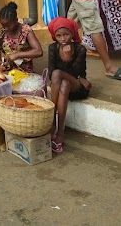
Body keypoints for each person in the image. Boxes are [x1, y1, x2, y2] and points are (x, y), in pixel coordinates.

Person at [47, 17, 91, 154]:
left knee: (58, 75)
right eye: (59, 36)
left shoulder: (80, 49)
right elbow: (50, 72)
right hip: (63, 85)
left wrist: (67, 58)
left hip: (77, 85)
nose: (63, 39)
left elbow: (77, 72)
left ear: (72, 33)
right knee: (62, 83)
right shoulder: (53, 48)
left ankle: (50, 116)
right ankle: (60, 132)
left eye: (66, 34)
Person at [0, 2, 43, 73]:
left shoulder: (25, 30)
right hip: (8, 71)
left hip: (25, 72)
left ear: (16, 20)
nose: (6, 28)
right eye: (4, 25)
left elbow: (39, 51)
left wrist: (17, 55)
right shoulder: (2, 32)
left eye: (9, 25)